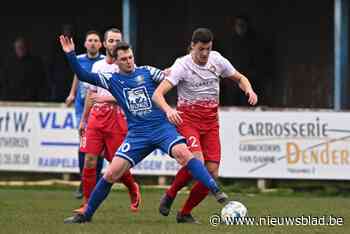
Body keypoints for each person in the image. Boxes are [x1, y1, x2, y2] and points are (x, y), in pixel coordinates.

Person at [59, 37, 228, 224]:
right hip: (137, 134)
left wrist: (186, 72)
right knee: (110, 174)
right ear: (115, 61)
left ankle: (215, 189)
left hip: (161, 128)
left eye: (130, 57)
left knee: (184, 154)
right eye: (123, 59)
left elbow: (170, 77)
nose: (129, 61)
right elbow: (83, 75)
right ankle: (86, 214)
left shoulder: (147, 71)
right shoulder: (111, 79)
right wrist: (70, 54)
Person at [152, 28, 258, 223]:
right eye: (201, 49)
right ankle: (170, 194)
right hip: (189, 120)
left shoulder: (217, 60)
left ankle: (184, 213)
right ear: (193, 46)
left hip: (211, 123)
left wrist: (249, 89)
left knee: (212, 172)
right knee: (197, 162)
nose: (204, 54)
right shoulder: (182, 65)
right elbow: (158, 94)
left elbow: (240, 78)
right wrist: (169, 110)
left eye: (208, 49)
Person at [74, 28, 141, 214]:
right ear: (105, 44)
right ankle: (87, 204)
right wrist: (83, 120)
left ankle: (133, 188)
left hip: (116, 119)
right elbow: (91, 93)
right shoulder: (97, 67)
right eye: (111, 41)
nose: (114, 44)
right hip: (96, 118)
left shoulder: (126, 66)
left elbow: (130, 95)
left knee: (116, 165)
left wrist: (109, 99)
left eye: (118, 41)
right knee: (89, 160)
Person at [65, 30, 105, 199]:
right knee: (83, 143)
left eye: (96, 40)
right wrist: (72, 94)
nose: (93, 43)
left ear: (100, 44)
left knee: (99, 148)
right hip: (82, 107)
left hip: (99, 107)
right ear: (85, 44)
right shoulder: (79, 59)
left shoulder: (104, 61)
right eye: (90, 40)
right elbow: (77, 76)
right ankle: (84, 181)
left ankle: (94, 180)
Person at [2, 36, 47, 101]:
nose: (20, 49)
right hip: (12, 99)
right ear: (14, 49)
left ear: (26, 48)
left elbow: (40, 82)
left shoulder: (35, 62)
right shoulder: (9, 63)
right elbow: (5, 82)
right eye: (18, 47)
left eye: (22, 47)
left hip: (31, 99)